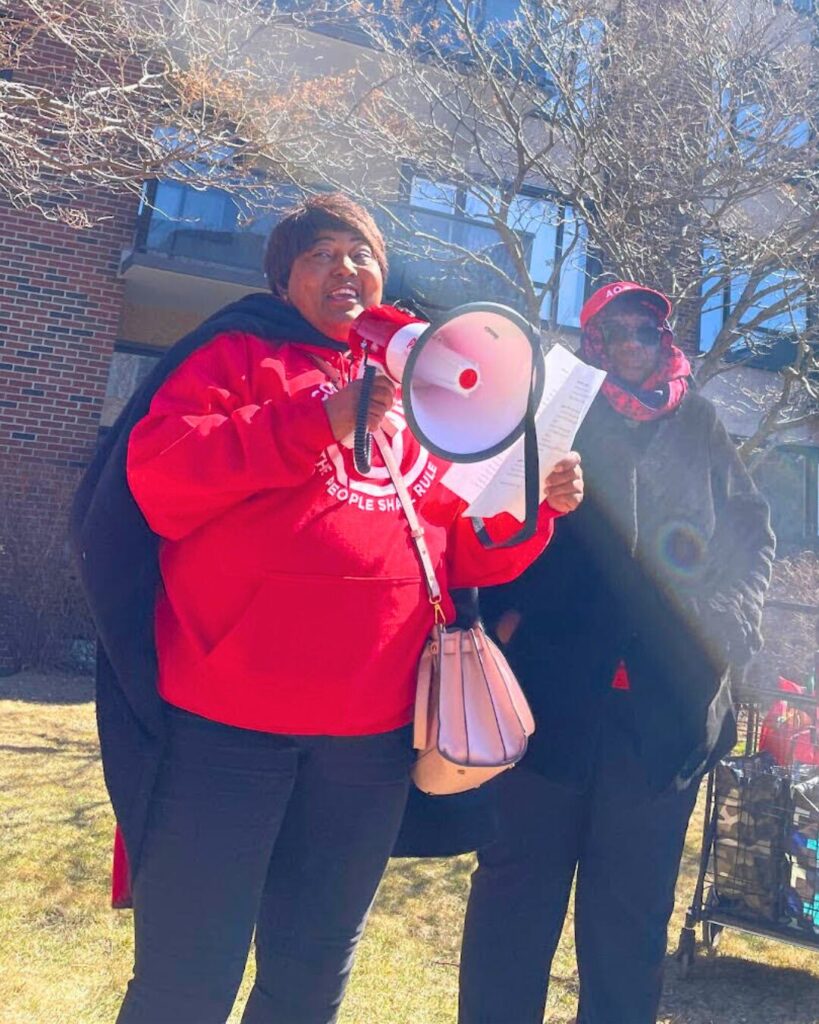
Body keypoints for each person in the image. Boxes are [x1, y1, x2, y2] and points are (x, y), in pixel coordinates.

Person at [70, 192, 584, 1024]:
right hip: (224, 728)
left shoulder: (429, 387)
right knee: (185, 979)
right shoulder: (237, 355)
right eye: (319, 254)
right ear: (283, 282)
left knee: (310, 976)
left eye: (360, 253)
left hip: (368, 742)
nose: (344, 268)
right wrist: (313, 421)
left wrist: (535, 507)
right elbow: (159, 478)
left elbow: (461, 552)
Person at [458, 281, 775, 1024]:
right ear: (592, 339)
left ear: (664, 339)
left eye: (646, 329)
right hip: (545, 706)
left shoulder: (699, 423)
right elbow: (487, 518)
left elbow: (750, 532)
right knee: (514, 899)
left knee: (629, 919)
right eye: (616, 330)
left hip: (660, 721)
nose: (633, 343)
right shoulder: (557, 410)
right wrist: (503, 621)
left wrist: (724, 634)